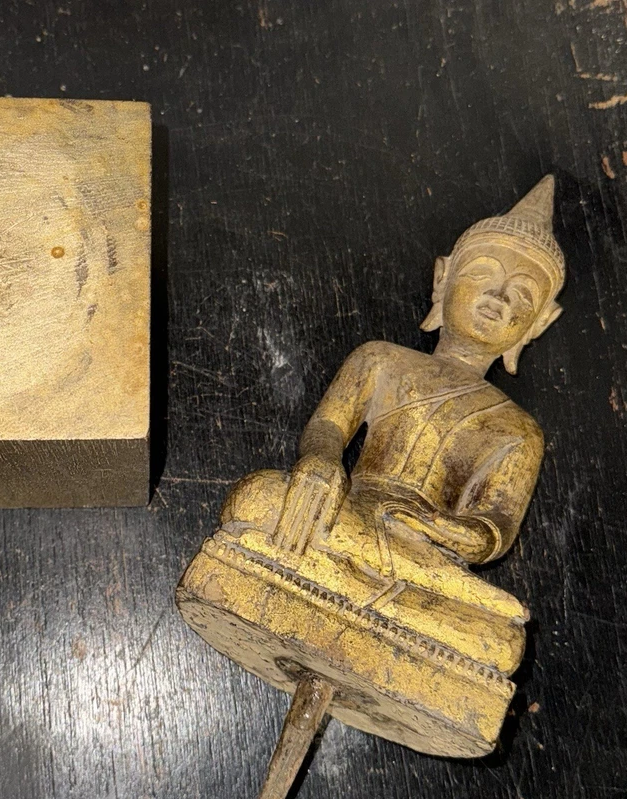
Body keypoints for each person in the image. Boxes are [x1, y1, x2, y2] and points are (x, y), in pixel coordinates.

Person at [218, 176, 565, 674]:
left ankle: (332, 583)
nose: (498, 298)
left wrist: (438, 526)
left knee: (503, 638)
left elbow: (496, 529)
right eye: (483, 274)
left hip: (421, 556)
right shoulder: (381, 359)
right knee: (257, 497)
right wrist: (321, 462)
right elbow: (328, 426)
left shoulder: (519, 430)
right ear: (443, 279)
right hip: (344, 513)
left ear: (539, 322)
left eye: (522, 295)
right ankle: (373, 602)